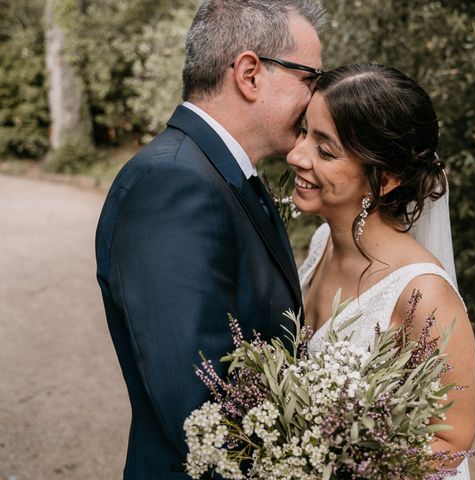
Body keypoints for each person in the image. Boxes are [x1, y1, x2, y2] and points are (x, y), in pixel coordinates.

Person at [95, 1, 326, 478]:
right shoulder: (174, 185)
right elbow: (195, 403)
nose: (318, 99)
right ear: (249, 74)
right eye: (311, 79)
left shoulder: (223, 175)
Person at [288, 64, 475, 479]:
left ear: (386, 179)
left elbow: (452, 440)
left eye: (325, 149)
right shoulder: (322, 242)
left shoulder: (422, 294)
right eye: (304, 132)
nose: (296, 155)